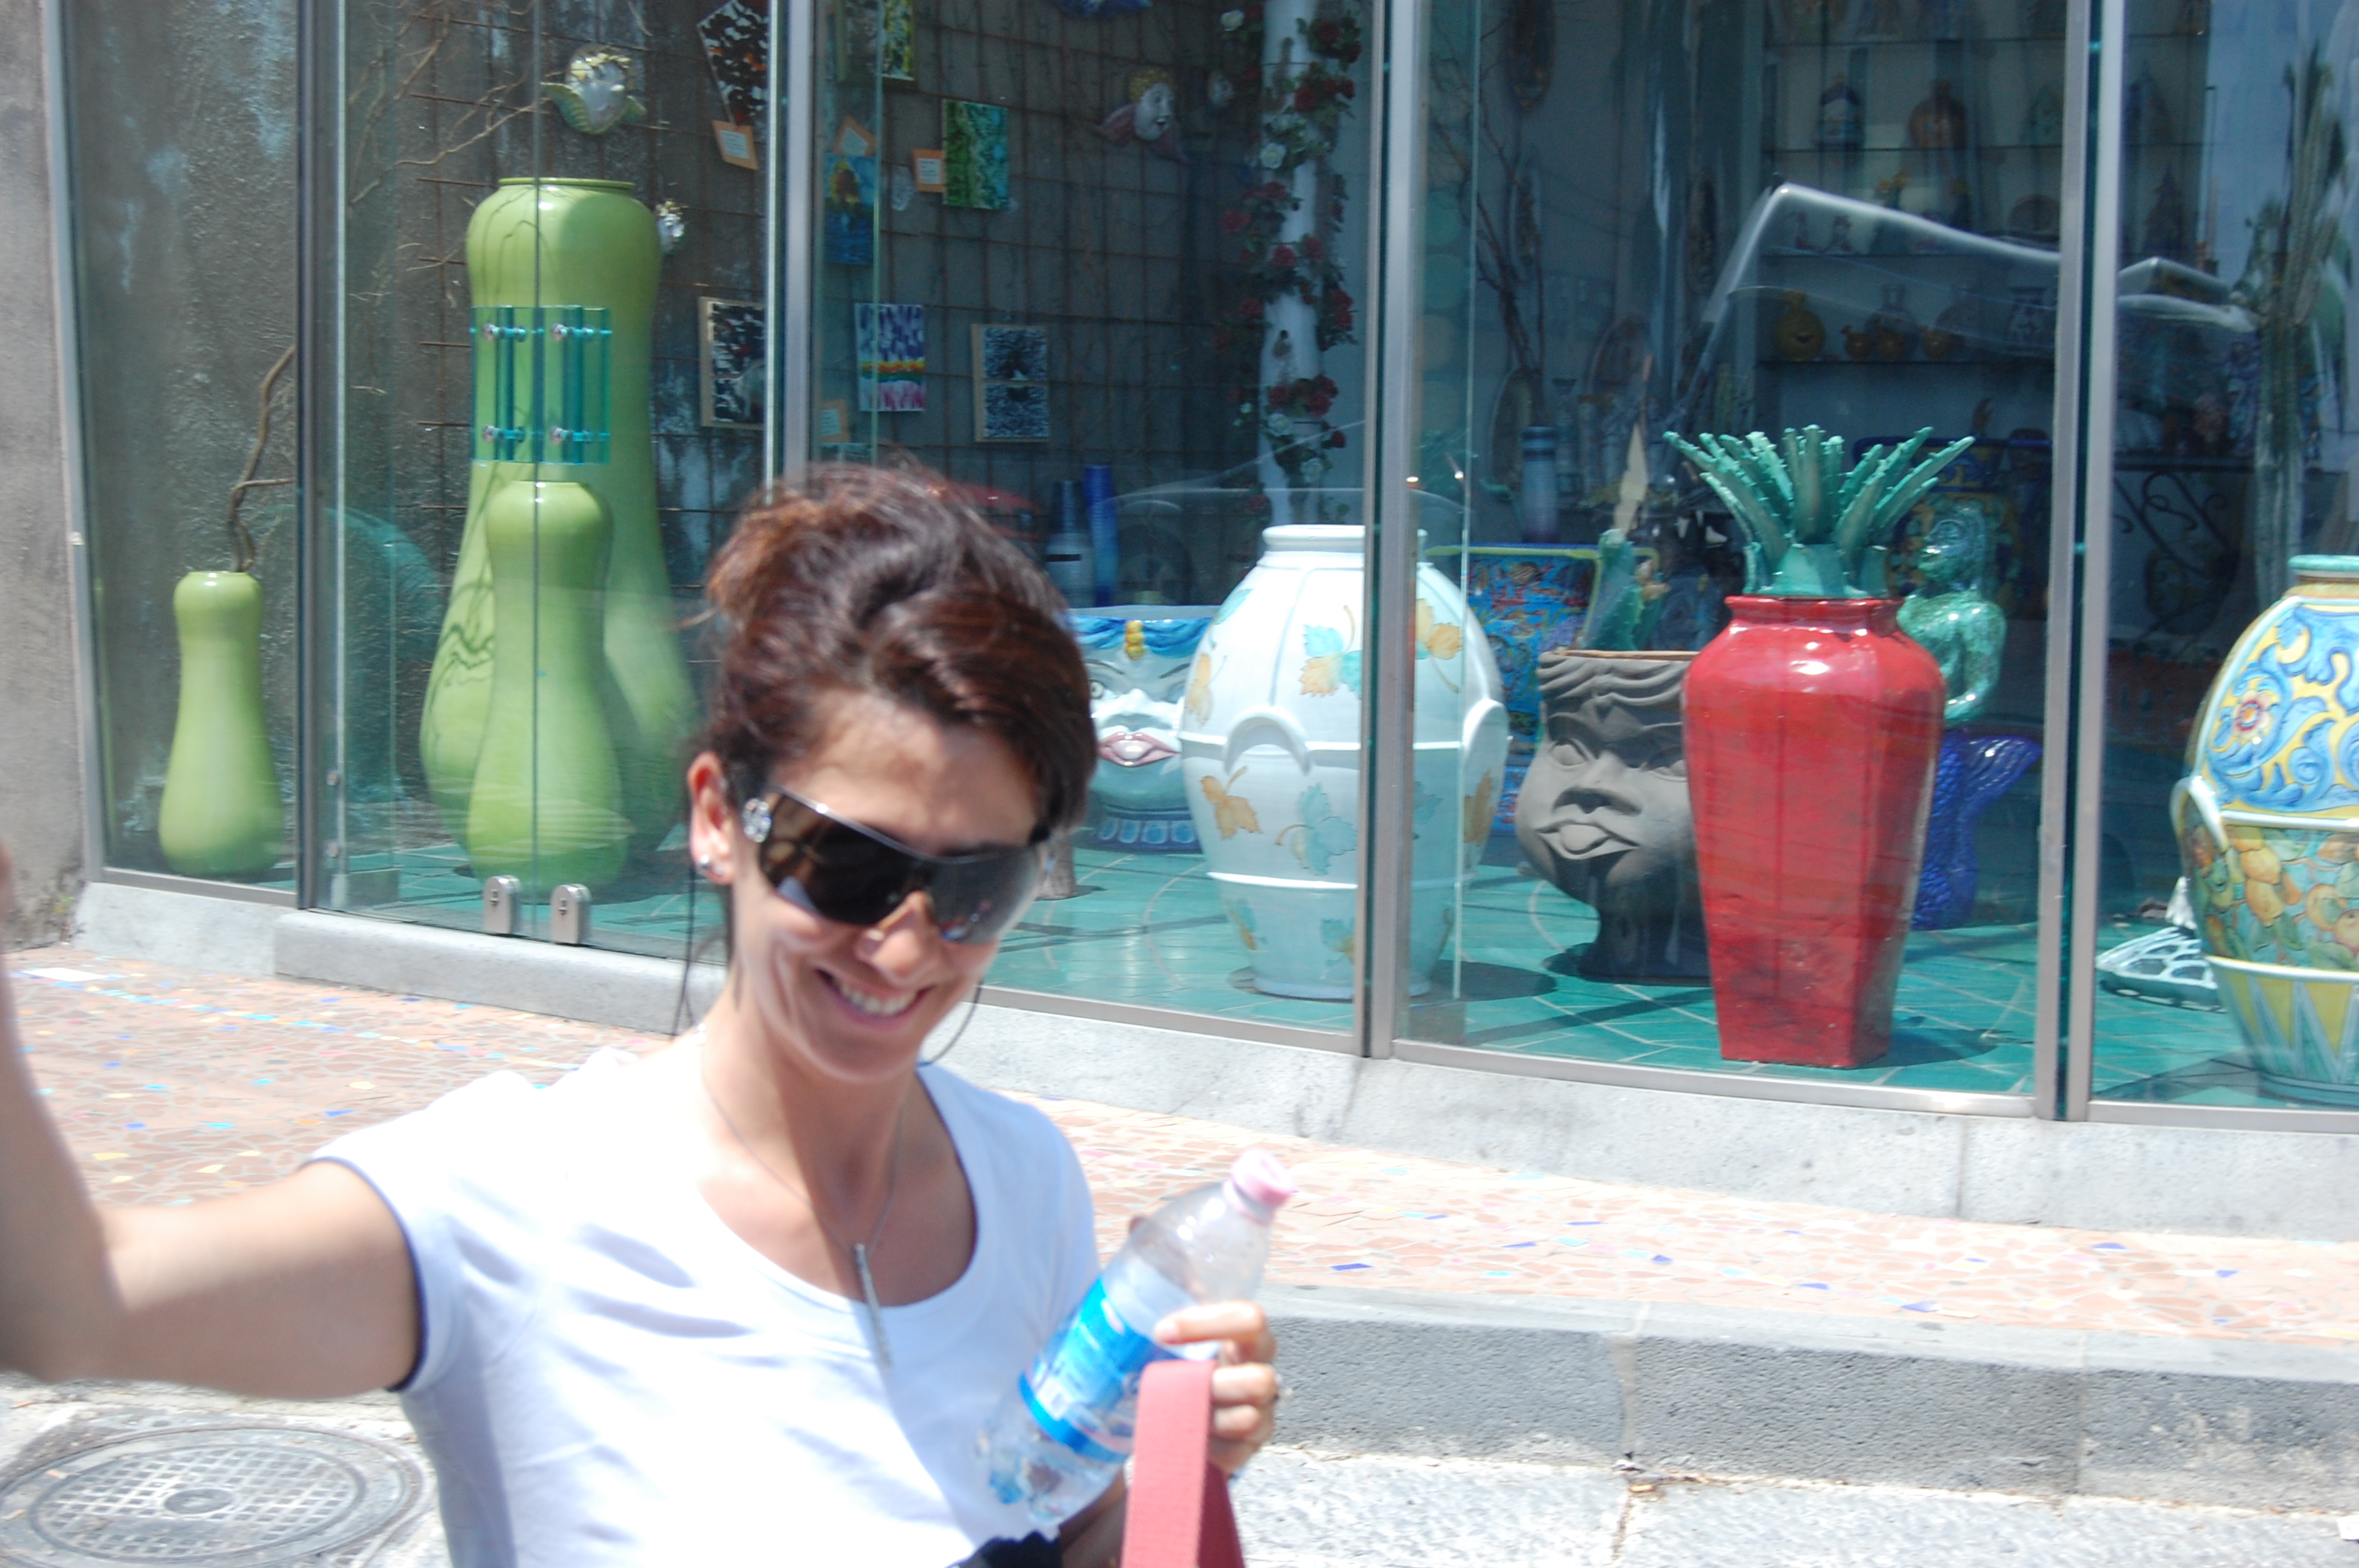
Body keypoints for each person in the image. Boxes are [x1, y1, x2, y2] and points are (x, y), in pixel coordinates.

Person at [0, 466, 1281, 1566]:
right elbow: (69, 1305)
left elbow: (1060, 1531)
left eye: (975, 886)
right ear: (718, 817)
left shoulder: (1025, 1180)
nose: (904, 942)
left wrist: (1179, 1461)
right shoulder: (507, 1202)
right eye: (846, 863)